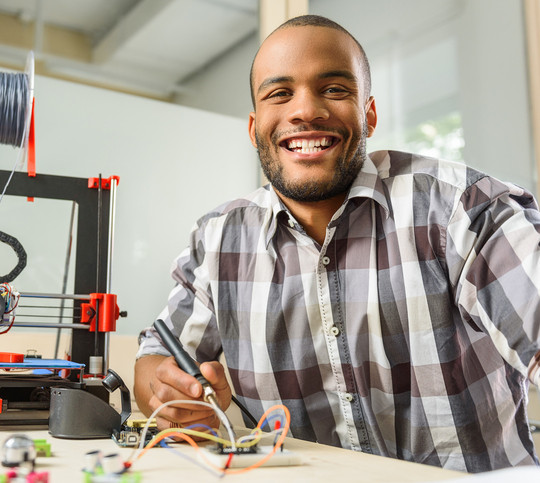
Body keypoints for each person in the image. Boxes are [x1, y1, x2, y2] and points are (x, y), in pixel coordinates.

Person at [133, 14, 540, 473]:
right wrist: (167, 394)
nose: (305, 110)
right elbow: (157, 358)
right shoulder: (218, 239)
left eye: (333, 89)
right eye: (279, 93)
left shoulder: (461, 208)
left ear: (368, 114)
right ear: (254, 128)